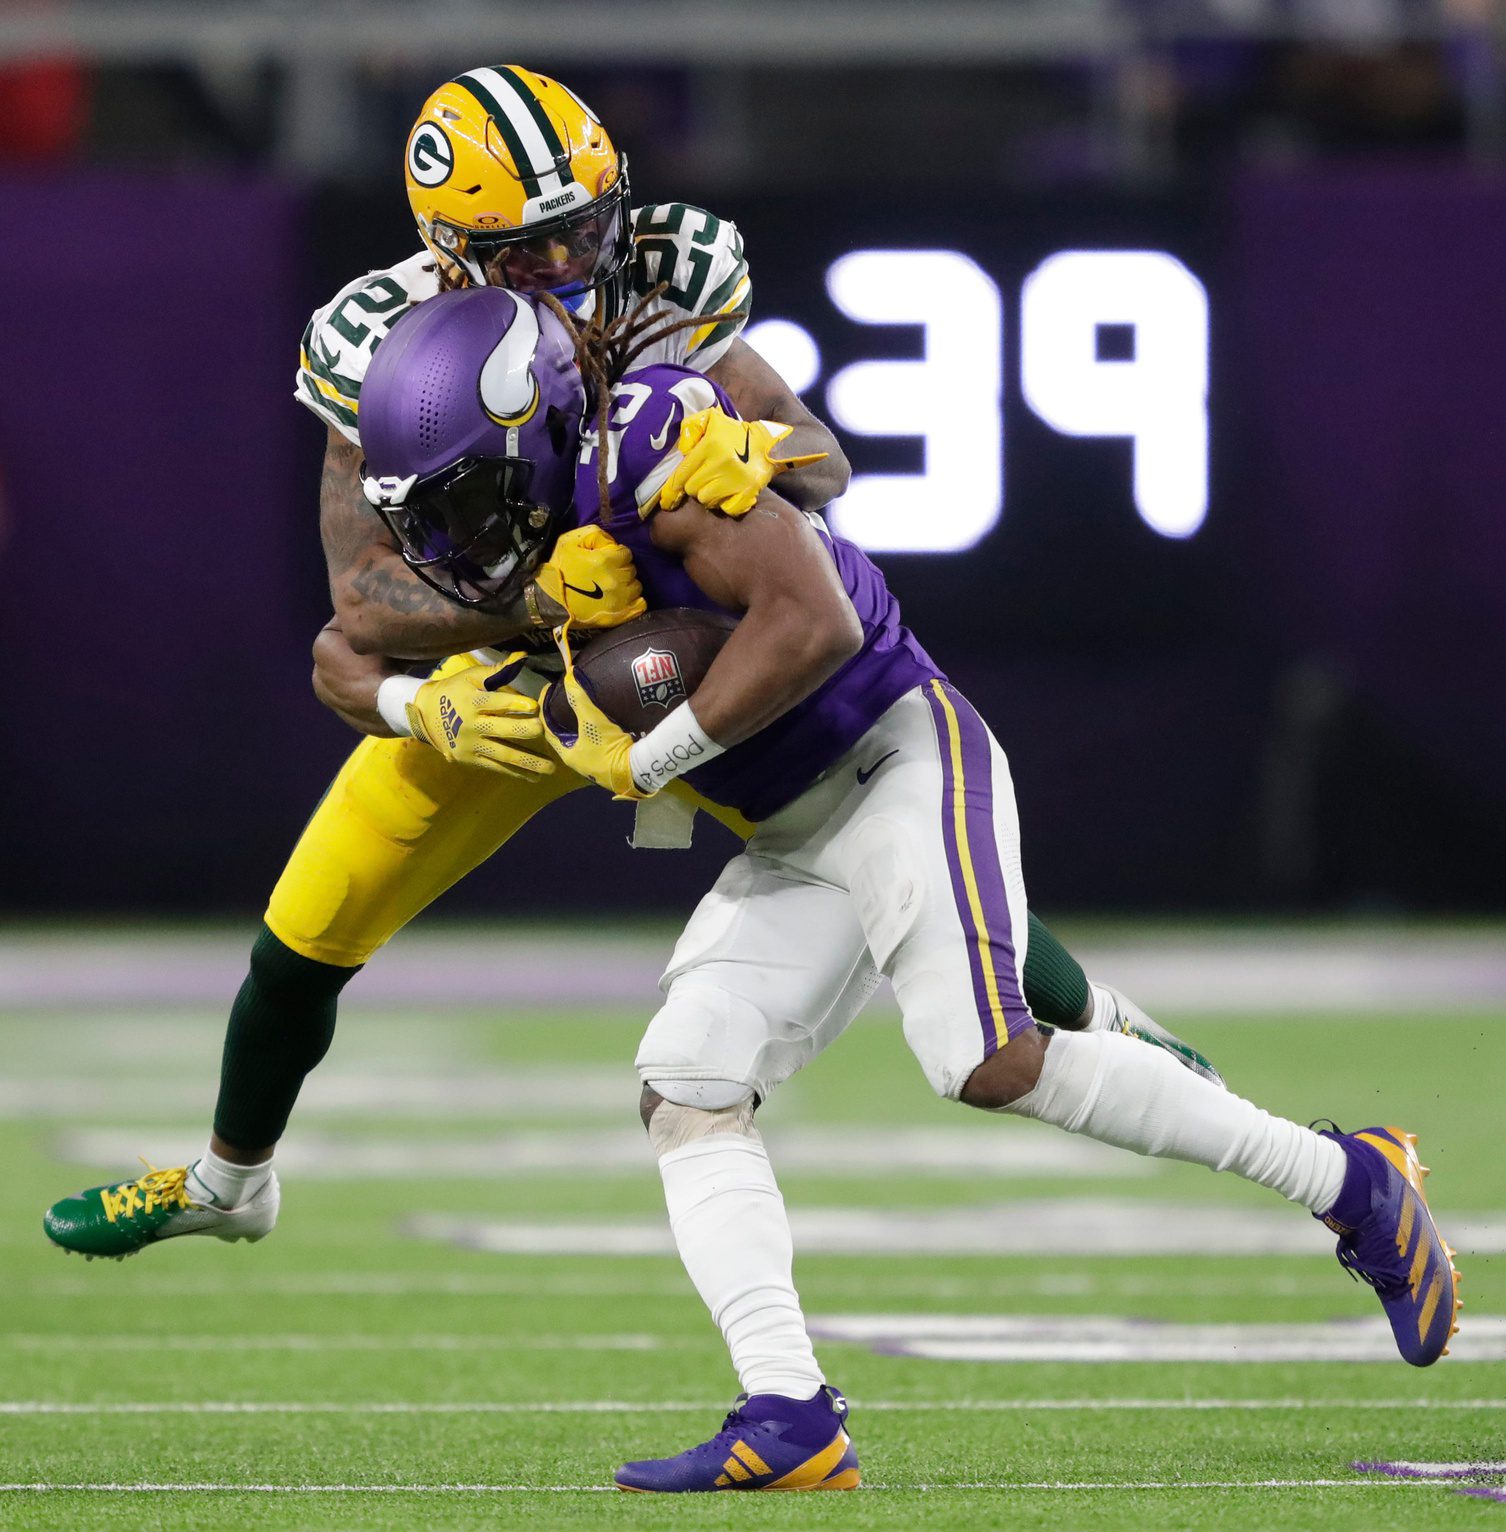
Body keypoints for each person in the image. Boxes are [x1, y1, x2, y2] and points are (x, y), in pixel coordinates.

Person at [41, 65, 1211, 1263]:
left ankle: (1116, 1022)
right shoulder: (381, 339)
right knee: (309, 925)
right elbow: (360, 598)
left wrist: (746, 448)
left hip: (658, 650)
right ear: (447, 247)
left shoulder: (663, 273)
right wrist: (527, 599)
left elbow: (825, 466)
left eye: (580, 230)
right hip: (509, 679)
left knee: (877, 840)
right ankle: (233, 1180)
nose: (567, 264)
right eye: (528, 247)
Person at [351, 285, 1460, 1494]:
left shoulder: (652, 443)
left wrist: (648, 753)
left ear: (530, 428)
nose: (453, 545)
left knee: (987, 1055)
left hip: (892, 754)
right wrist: (421, 703)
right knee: (689, 1083)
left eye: (462, 501)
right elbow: (346, 644)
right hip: (790, 829)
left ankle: (1353, 1180)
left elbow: (812, 621)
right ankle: (789, 1412)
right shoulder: (531, 511)